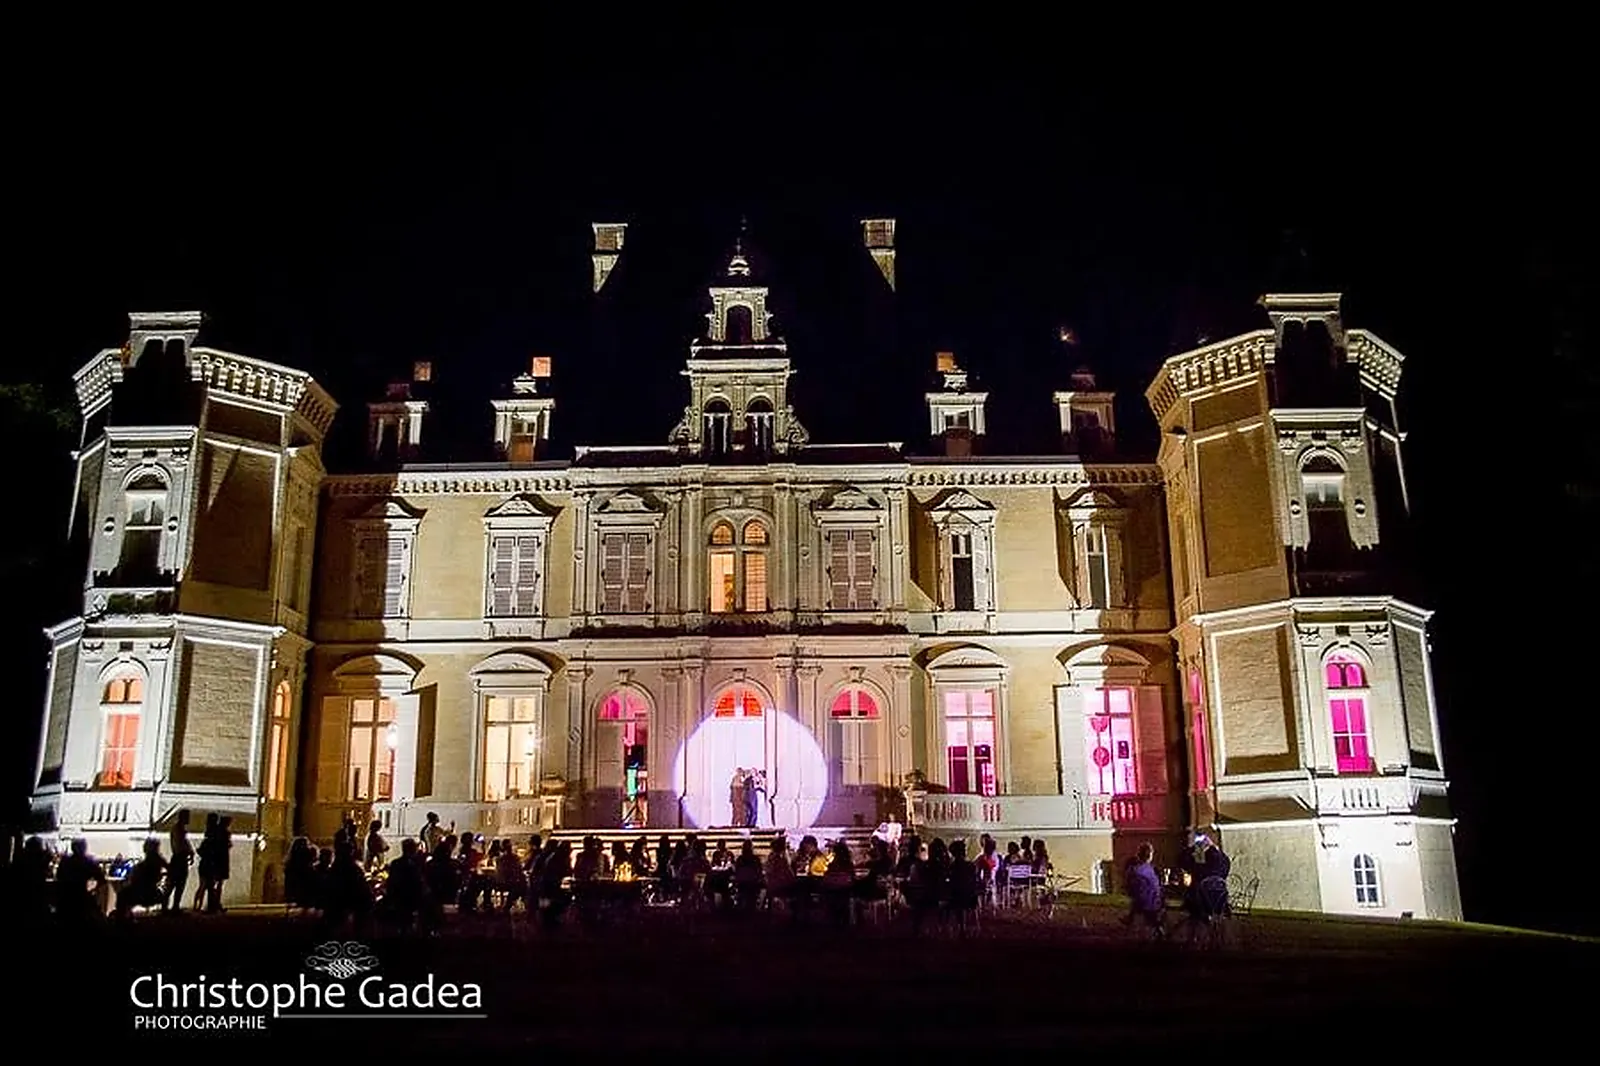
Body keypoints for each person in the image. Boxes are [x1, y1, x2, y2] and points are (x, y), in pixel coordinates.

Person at [1124, 842, 1167, 938]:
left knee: (1145, 911)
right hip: (1153, 902)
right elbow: (1158, 887)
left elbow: (1130, 886)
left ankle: (1130, 920)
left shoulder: (1135, 869)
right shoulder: (1151, 869)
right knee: (1154, 917)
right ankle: (1160, 932)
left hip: (1143, 901)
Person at [166, 810, 194, 913]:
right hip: (179, 859)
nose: (189, 819)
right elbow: (180, 845)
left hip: (179, 858)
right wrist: (189, 852)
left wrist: (190, 852)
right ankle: (170, 907)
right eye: (187, 817)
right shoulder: (178, 829)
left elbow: (184, 843)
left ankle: (174, 906)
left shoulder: (180, 829)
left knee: (177, 884)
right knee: (176, 883)